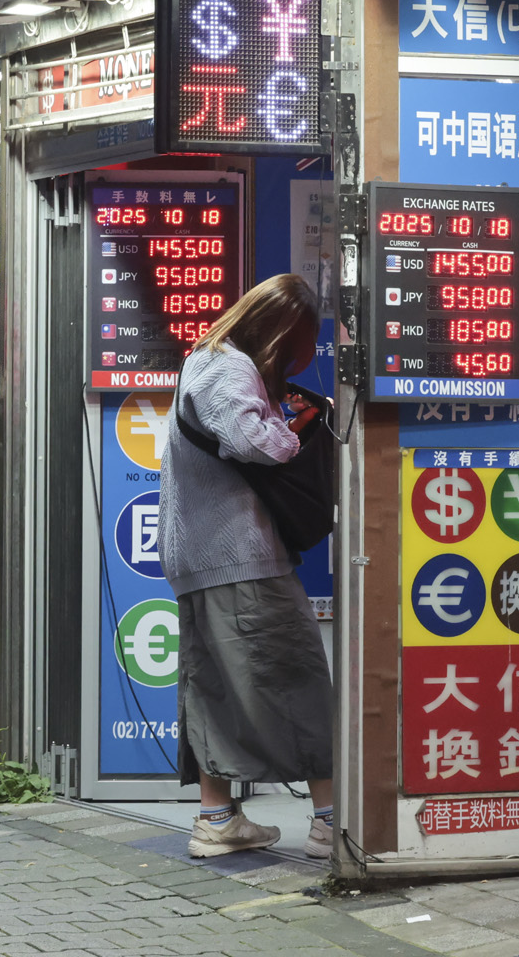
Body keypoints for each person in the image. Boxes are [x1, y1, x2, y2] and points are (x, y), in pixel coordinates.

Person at [160, 273, 332, 858]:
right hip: (240, 557)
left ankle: (218, 819)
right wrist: (298, 428)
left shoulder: (205, 361)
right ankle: (332, 822)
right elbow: (254, 442)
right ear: (283, 331)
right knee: (297, 675)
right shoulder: (228, 367)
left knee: (211, 686)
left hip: (205, 558)